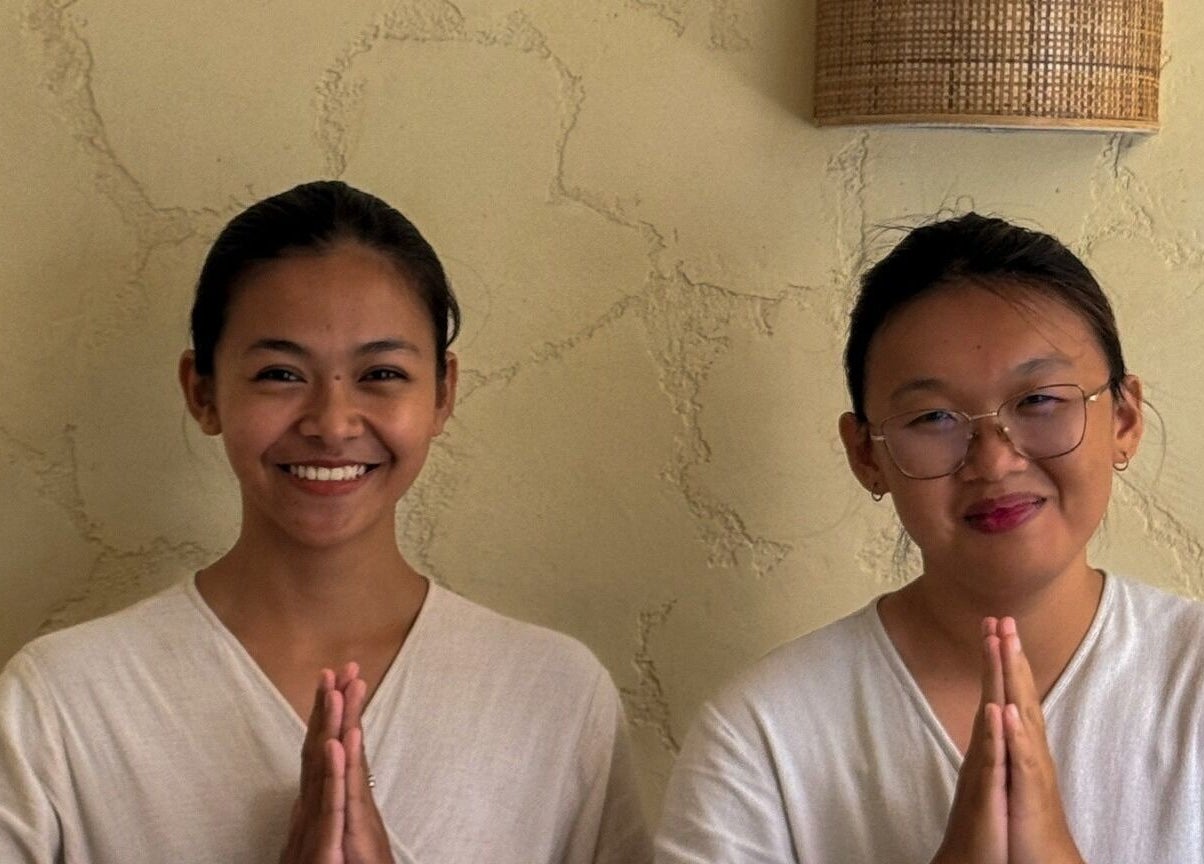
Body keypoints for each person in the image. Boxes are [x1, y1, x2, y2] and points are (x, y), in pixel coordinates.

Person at [0, 180, 652, 864]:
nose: (333, 424)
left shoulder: (555, 697)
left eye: (382, 374)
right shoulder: (63, 703)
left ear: (443, 393)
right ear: (203, 391)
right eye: (281, 374)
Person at [655, 213, 1204, 863]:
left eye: (1039, 401)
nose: (993, 462)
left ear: (1124, 419)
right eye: (934, 417)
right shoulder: (761, 736)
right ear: (867, 455)